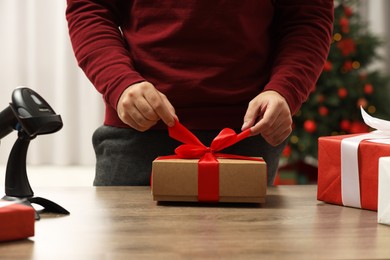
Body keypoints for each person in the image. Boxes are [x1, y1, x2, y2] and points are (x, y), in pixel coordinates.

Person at [66, 0, 334, 186]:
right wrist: (120, 83)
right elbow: (89, 8)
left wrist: (284, 90)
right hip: (137, 130)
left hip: (247, 134)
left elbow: (307, 17)